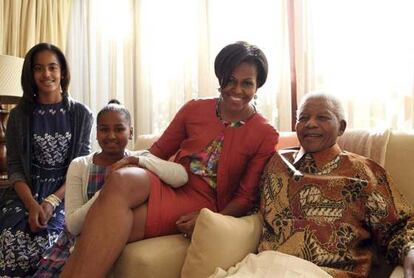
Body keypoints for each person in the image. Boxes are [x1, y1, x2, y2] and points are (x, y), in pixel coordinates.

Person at [60, 41, 279, 277]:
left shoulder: (265, 133)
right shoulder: (194, 109)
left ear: (257, 86)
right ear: (220, 79)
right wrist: (135, 162)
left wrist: (211, 220)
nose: (237, 89)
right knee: (122, 178)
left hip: (202, 201)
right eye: (230, 80)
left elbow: (245, 197)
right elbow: (157, 153)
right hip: (173, 180)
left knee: (100, 229)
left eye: (247, 83)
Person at [256, 92, 414, 277]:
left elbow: (399, 227)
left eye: (322, 117)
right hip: (265, 268)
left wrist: (410, 251)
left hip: (327, 273)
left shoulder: (363, 173)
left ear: (341, 127)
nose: (310, 124)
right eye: (303, 118)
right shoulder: (277, 162)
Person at [33, 100, 188, 277]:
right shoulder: (80, 165)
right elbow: (74, 225)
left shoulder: (141, 158)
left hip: (117, 238)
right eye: (104, 129)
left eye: (119, 129)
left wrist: (138, 161)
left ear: (131, 132)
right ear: (97, 133)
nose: (111, 135)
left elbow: (181, 176)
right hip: (77, 244)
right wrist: (111, 189)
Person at [0, 43, 93, 277]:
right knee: (10, 238)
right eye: (39, 68)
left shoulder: (82, 114)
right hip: (25, 194)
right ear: (31, 74)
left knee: (51, 242)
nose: (47, 74)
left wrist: (52, 201)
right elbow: (14, 168)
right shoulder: (18, 116)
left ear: (62, 72)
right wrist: (32, 204)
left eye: (52, 67)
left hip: (66, 194)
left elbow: (81, 167)